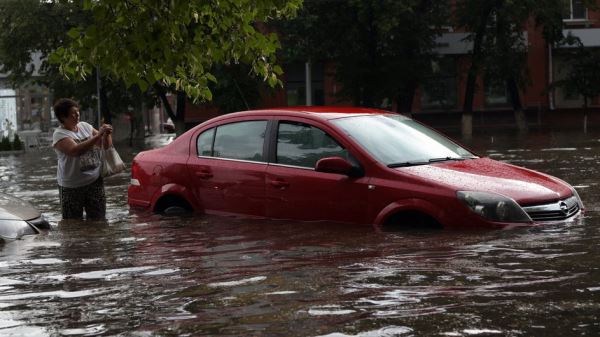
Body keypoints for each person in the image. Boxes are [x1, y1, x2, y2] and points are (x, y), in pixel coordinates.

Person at [52, 98, 113, 220]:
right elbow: (75, 151)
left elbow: (106, 145)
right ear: (63, 117)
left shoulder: (85, 126)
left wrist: (106, 134)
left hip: (94, 181)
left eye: (77, 111)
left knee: (99, 220)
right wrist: (98, 136)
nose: (77, 115)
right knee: (73, 224)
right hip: (71, 187)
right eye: (73, 113)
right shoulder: (59, 134)